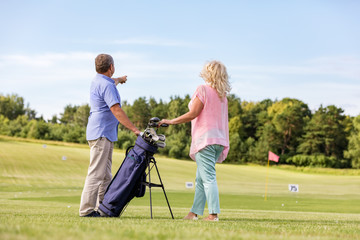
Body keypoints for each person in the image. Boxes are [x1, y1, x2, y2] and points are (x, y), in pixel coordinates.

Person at [159, 60, 230, 221]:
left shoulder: (202, 90)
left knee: (208, 178)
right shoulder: (222, 96)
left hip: (205, 141)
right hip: (218, 141)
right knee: (201, 179)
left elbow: (193, 113)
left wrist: (170, 121)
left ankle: (213, 214)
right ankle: (194, 213)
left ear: (208, 73)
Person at [79, 54, 140, 217]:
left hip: (101, 132)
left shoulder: (98, 80)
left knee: (105, 176)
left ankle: (104, 208)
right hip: (102, 133)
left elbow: (112, 81)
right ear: (111, 67)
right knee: (96, 173)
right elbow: (116, 110)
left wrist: (120, 79)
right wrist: (135, 129)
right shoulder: (107, 86)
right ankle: (86, 210)